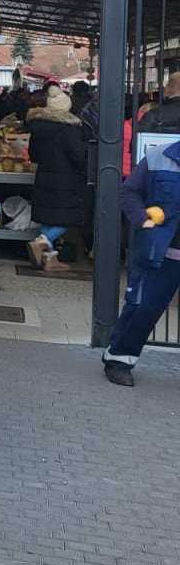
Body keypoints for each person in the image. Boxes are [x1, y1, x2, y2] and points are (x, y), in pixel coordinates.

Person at [102, 135, 180, 387]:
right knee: (143, 307)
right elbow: (129, 191)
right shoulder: (159, 157)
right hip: (163, 253)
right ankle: (119, 359)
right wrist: (143, 220)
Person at [25, 86, 87, 273]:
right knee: (68, 219)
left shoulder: (38, 127)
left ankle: (50, 260)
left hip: (44, 176)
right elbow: (79, 157)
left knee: (48, 218)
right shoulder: (70, 129)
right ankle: (41, 242)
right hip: (65, 180)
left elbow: (33, 155)